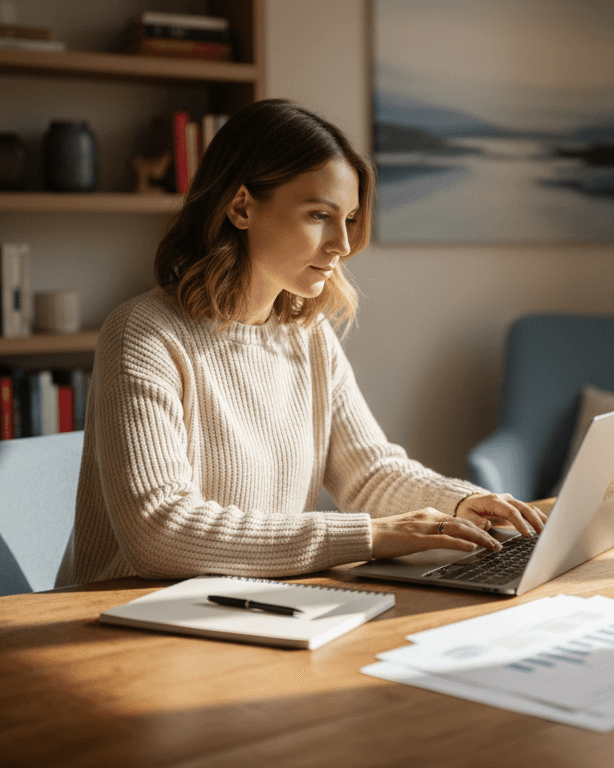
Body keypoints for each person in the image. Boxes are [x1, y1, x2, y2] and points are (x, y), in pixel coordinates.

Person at [56, 100, 545, 587]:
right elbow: (159, 532)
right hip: (127, 616)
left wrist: (459, 503)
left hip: (249, 605)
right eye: (319, 215)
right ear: (241, 207)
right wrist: (370, 536)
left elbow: (370, 474)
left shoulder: (309, 338)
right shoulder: (143, 335)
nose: (343, 243)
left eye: (349, 218)